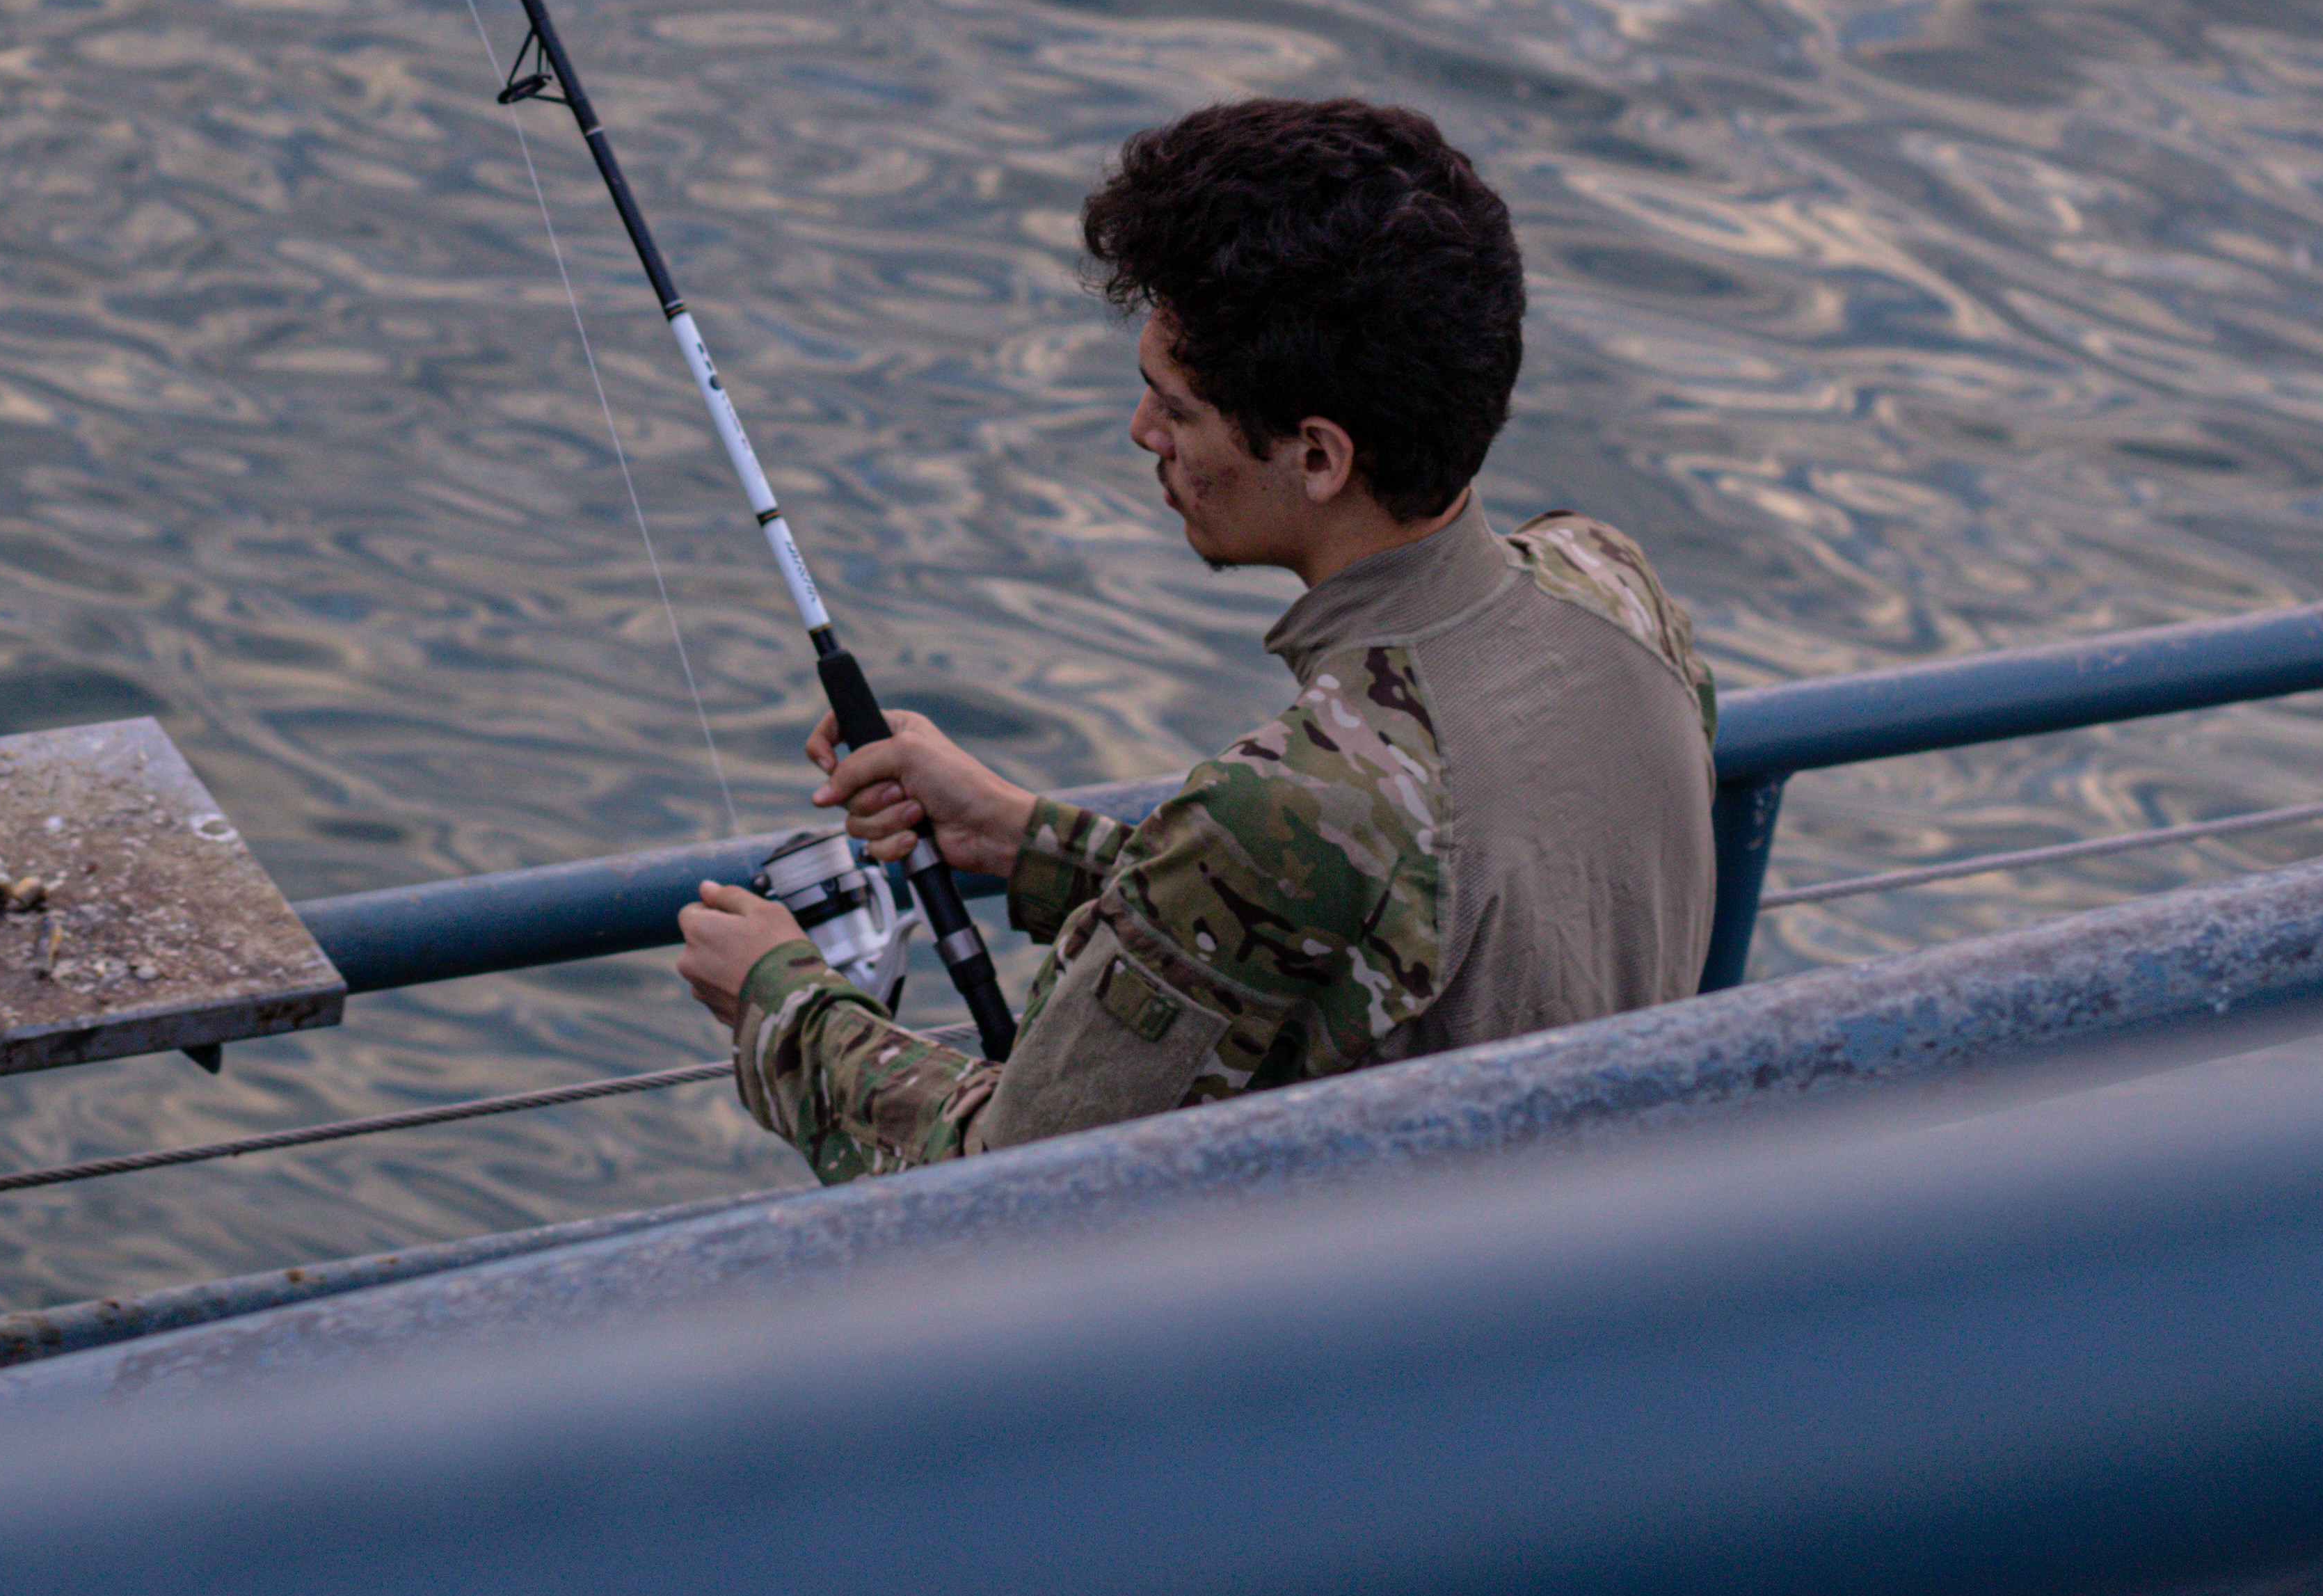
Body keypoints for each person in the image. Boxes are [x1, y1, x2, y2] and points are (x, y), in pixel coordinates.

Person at [674, 96, 1718, 1183]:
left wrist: (784, 1004)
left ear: (1318, 456)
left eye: (1176, 410)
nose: (1144, 435)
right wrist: (1023, 838)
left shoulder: (1296, 799)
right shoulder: (1616, 590)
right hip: (1620, 1283)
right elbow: (1373, 910)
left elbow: (1011, 1188)